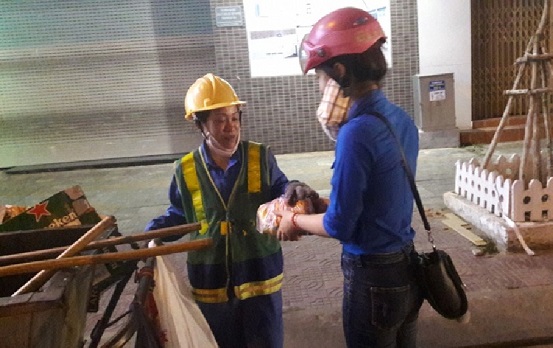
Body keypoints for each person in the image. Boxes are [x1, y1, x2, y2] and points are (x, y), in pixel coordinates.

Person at [276, 7, 424, 348]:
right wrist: (319, 204)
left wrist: (294, 218)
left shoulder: (356, 133)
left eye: (320, 77)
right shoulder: (400, 119)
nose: (320, 86)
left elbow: (341, 225)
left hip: (372, 279)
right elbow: (379, 201)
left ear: (340, 72)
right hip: (406, 268)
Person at [145, 73, 316, 348]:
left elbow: (282, 190)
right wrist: (154, 233)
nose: (230, 128)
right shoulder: (185, 169)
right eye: (219, 120)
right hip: (211, 280)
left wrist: (294, 188)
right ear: (201, 125)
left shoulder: (260, 157)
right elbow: (180, 213)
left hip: (260, 274)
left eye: (234, 118)